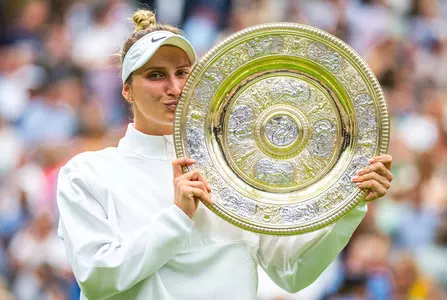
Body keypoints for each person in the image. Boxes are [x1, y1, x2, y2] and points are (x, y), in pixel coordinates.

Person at [56, 9, 393, 300]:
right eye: (155, 75)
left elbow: (291, 272)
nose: (173, 88)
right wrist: (177, 217)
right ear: (126, 90)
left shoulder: (235, 171)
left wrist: (349, 202)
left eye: (182, 73)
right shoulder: (88, 173)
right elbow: (98, 279)